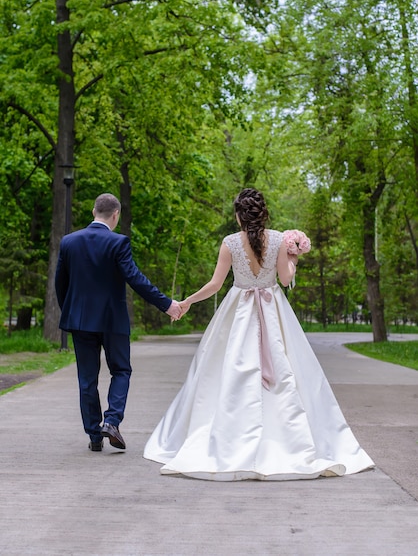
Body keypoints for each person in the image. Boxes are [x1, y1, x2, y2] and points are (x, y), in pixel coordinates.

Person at [143, 188, 374, 480]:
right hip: (273, 308)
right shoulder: (278, 239)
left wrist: (187, 301)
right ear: (262, 213)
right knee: (286, 369)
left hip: (238, 310)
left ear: (238, 215)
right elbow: (286, 279)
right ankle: (287, 439)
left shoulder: (229, 243)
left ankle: (229, 440)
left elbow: (215, 285)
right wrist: (295, 255)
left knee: (226, 371)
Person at [55, 193, 181, 452]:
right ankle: (111, 421)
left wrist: (71, 310)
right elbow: (135, 279)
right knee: (121, 370)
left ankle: (93, 435)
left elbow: (61, 283)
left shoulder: (69, 242)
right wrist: (166, 304)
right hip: (113, 320)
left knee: (87, 379)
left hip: (80, 321)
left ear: (93, 212)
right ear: (116, 215)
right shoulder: (118, 242)